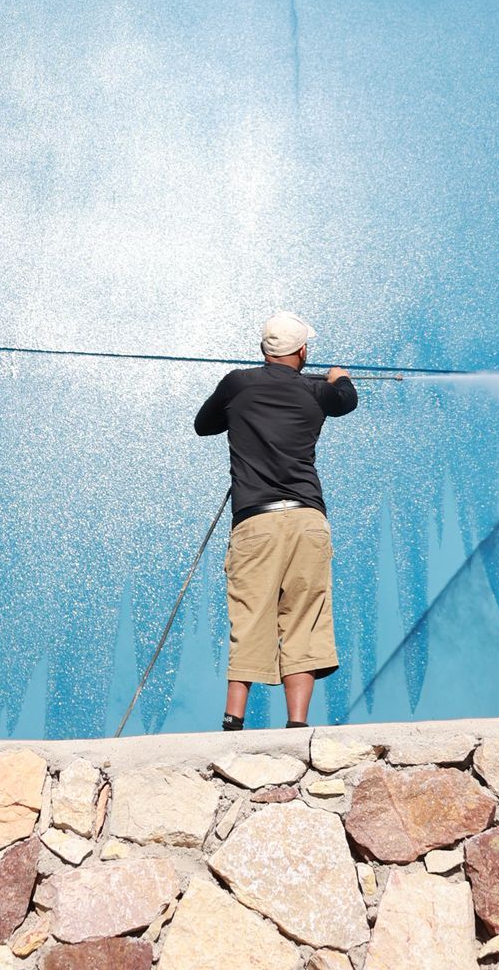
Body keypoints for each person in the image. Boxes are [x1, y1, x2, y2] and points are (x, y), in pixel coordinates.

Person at [193, 311, 358, 730]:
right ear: (302, 351)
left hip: (256, 523)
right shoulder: (318, 391)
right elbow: (346, 401)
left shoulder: (237, 384)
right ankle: (297, 726)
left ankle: (233, 721)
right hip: (306, 519)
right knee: (306, 616)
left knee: (250, 615)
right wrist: (338, 376)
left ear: (264, 351)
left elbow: (203, 425)